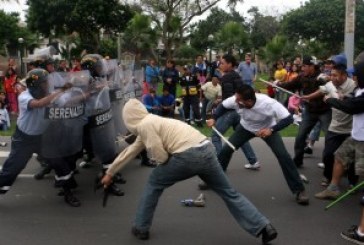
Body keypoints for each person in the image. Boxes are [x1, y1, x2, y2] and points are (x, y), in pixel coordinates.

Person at [101, 98, 277, 244]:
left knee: (154, 182)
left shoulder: (146, 125)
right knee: (229, 192)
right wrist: (110, 173)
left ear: (129, 118)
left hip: (188, 155)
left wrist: (163, 159)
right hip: (206, 149)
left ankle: (141, 227)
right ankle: (264, 227)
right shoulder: (153, 121)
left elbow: (161, 157)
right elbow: (129, 152)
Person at [210, 85, 309, 205]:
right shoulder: (236, 100)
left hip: (267, 129)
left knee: (283, 156)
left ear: (249, 101)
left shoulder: (268, 103)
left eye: (239, 100)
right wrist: (214, 118)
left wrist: (271, 130)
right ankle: (214, 180)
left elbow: (288, 118)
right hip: (246, 128)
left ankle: (299, 190)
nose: (235, 102)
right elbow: (223, 106)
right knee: (226, 150)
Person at [310, 60, 364, 245]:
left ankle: (362, 232)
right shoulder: (360, 90)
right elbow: (354, 102)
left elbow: (353, 107)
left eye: (356, 73)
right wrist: (344, 99)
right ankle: (333, 188)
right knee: (338, 157)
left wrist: (332, 100)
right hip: (356, 136)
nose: (354, 76)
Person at [0, 69, 69, 196]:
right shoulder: (24, 96)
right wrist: (60, 91)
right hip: (24, 139)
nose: (48, 84)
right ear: (36, 85)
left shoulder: (51, 95)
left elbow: (68, 103)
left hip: (42, 137)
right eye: (45, 82)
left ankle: (67, 191)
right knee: (13, 168)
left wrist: (87, 94)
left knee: (58, 162)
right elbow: (37, 104)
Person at [302, 63, 358, 188]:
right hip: (335, 127)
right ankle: (328, 177)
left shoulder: (354, 86)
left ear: (344, 75)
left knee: (351, 157)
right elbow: (320, 91)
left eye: (335, 75)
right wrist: (307, 97)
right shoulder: (330, 85)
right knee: (328, 155)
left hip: (351, 129)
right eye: (331, 75)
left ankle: (352, 181)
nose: (331, 78)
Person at [208, 54, 260, 173]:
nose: (220, 65)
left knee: (215, 136)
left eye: (222, 63)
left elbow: (232, 97)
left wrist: (222, 105)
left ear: (230, 64)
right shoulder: (237, 76)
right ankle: (253, 161)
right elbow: (237, 94)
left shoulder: (227, 77)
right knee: (240, 137)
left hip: (230, 112)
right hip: (238, 111)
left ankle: (221, 163)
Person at [278, 56, 332, 168]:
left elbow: (324, 90)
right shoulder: (301, 77)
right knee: (300, 136)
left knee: (330, 137)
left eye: (305, 66)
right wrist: (278, 85)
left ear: (312, 66)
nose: (302, 68)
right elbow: (290, 85)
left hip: (324, 111)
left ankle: (329, 163)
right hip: (310, 111)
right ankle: (298, 160)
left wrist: (308, 96)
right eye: (302, 66)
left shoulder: (322, 77)